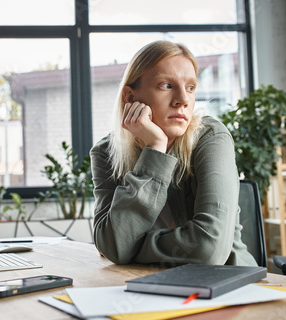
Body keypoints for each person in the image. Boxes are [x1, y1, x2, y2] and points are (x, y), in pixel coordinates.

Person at [90, 40, 257, 267]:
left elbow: (208, 251)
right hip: (144, 286)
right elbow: (113, 246)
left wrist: (131, 248)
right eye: (166, 85)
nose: (183, 100)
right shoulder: (106, 153)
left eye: (190, 87)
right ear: (130, 97)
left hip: (227, 286)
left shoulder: (210, 137)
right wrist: (156, 147)